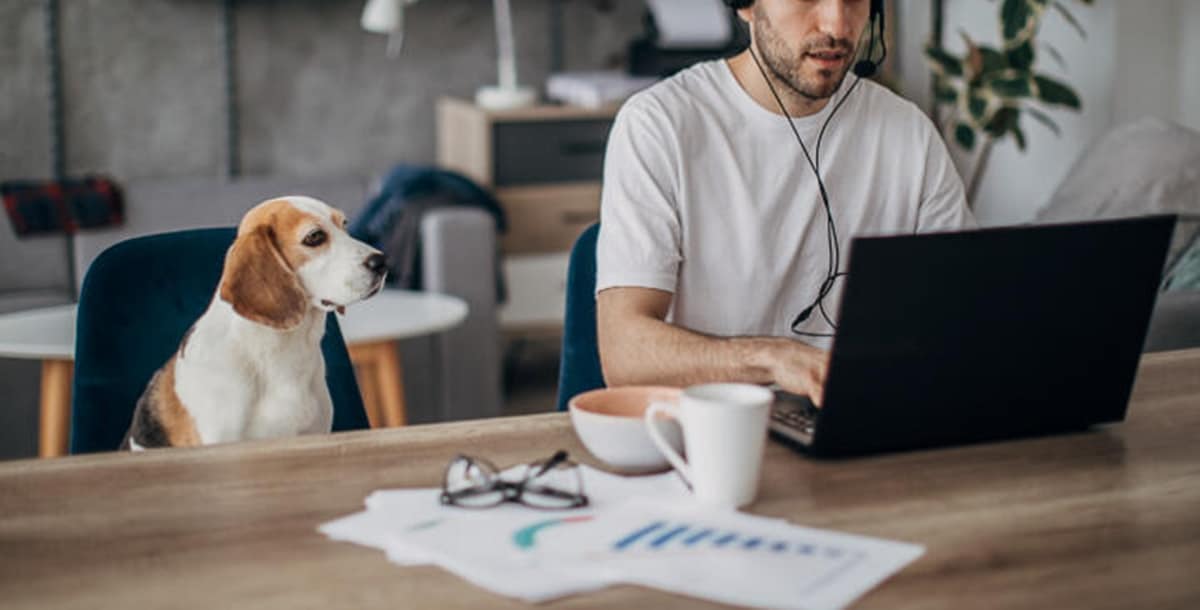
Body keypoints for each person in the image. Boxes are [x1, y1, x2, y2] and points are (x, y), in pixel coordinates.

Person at [595, 0, 975, 406]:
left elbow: (967, 312)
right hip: (713, 440)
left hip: (866, 426)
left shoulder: (909, 133)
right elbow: (624, 354)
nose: (837, 23)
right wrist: (772, 360)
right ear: (746, 6)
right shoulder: (659, 125)